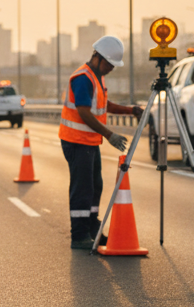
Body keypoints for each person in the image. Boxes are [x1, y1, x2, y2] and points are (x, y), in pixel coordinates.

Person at [59, 36, 143, 249]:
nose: (111, 69)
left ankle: (92, 229)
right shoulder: (83, 78)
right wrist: (110, 135)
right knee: (82, 189)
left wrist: (130, 110)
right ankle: (79, 235)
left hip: (89, 142)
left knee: (96, 186)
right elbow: (85, 113)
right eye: (109, 64)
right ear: (97, 57)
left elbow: (105, 105)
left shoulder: (97, 77)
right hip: (76, 142)